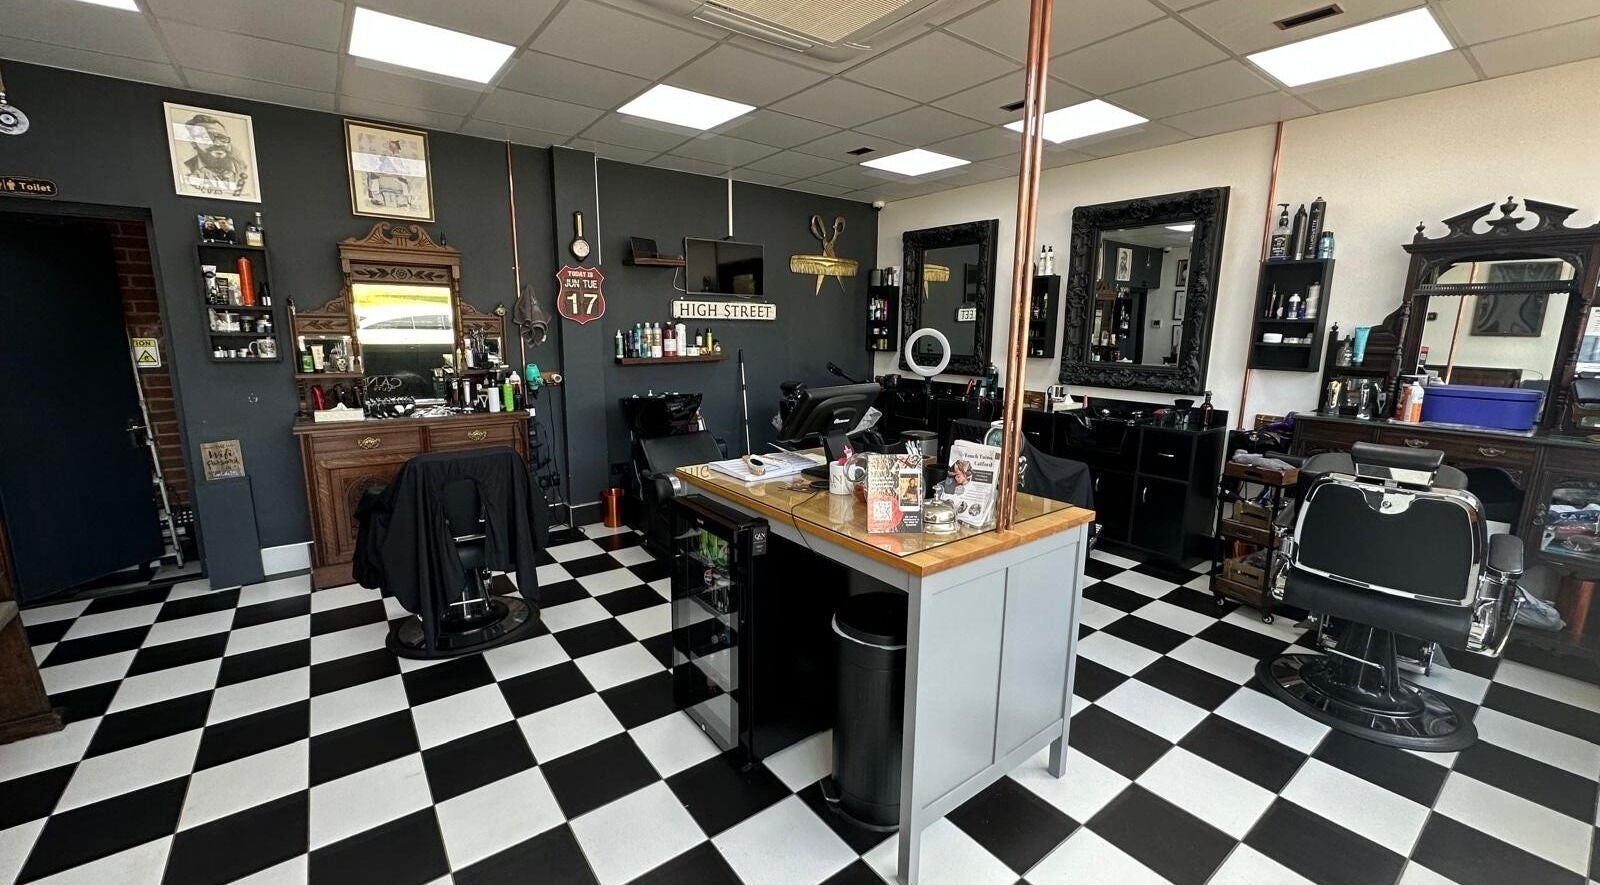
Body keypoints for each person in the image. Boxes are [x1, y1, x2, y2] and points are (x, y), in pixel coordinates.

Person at [179, 114, 251, 198]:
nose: (218, 143)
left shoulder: (244, 170)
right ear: (193, 143)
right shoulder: (184, 170)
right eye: (207, 138)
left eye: (222, 138)